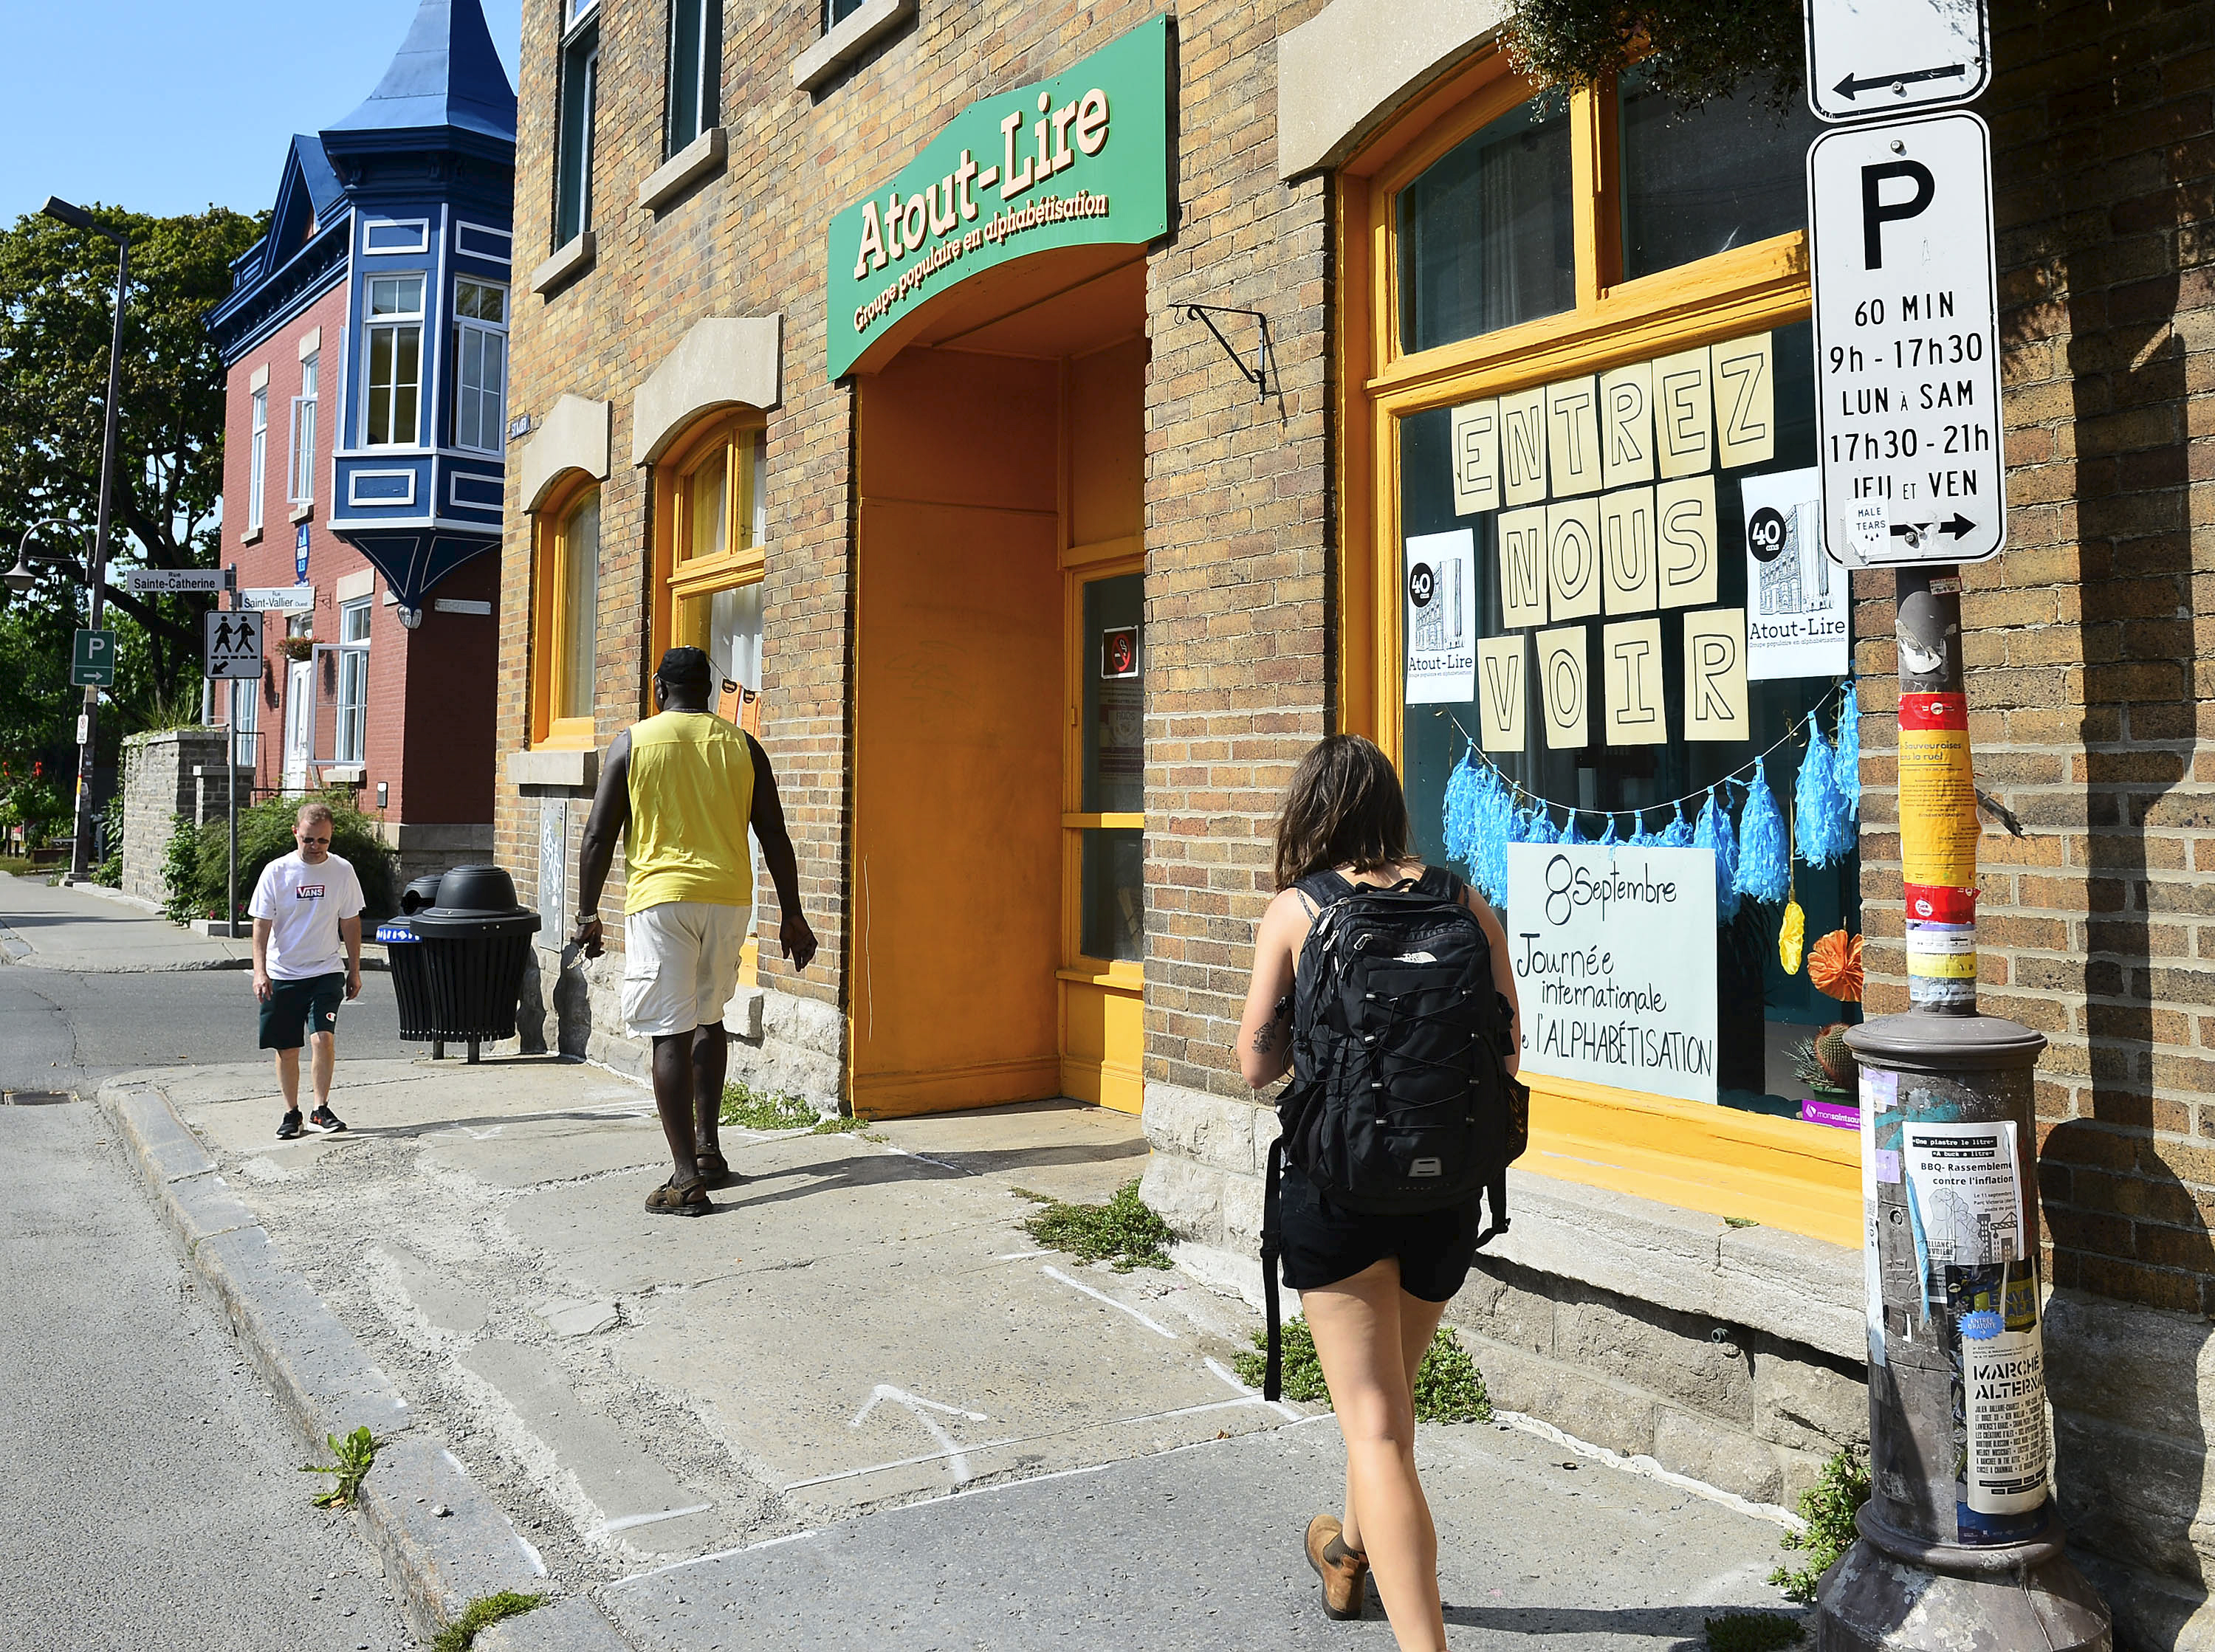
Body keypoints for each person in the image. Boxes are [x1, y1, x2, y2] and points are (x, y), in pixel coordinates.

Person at [1235, 734, 1519, 1652]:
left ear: (1310, 812)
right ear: (1393, 809)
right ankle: (1349, 1556)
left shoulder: (1299, 911)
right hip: (1446, 1193)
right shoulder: (1465, 904)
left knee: (1378, 1432)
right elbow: (1509, 1051)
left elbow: (1255, 1065)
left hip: (1341, 1191)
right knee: (1389, 1407)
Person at [571, 646, 817, 1216]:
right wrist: (793, 913)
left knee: (669, 1033)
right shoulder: (743, 746)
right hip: (728, 901)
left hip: (662, 902)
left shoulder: (633, 743)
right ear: (707, 690)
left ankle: (686, 1179)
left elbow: (598, 836)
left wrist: (587, 915)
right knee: (709, 1018)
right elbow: (775, 834)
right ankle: (707, 1150)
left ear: (660, 688)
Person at [251, 801, 365, 1140]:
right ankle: (292, 1113)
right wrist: (260, 972)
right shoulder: (277, 872)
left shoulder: (342, 871)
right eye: (308, 839)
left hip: (325, 971)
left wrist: (354, 970)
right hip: (283, 973)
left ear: (331, 837)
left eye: (323, 840)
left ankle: (320, 1108)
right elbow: (261, 925)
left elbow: (351, 921)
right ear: (295, 834)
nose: (315, 847)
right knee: (287, 1048)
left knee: (322, 1039)